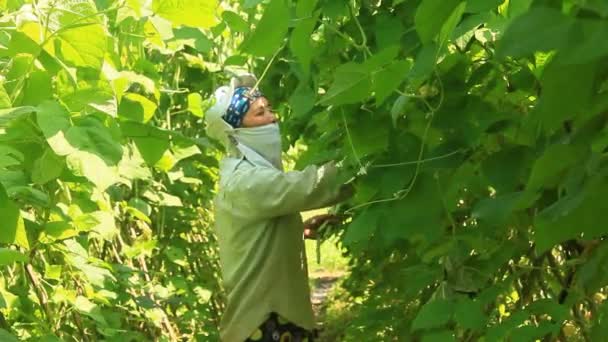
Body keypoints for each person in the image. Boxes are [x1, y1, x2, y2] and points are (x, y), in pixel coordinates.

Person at [206, 74, 353, 342]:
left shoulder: (242, 173)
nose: (273, 118)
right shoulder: (245, 181)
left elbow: (255, 235)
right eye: (260, 113)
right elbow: (309, 186)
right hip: (265, 321)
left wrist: (298, 230)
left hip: (269, 317)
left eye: (270, 109)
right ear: (236, 132)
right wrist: (367, 163)